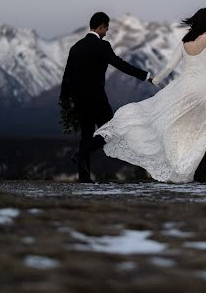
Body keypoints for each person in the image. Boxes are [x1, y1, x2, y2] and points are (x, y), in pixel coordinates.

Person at [94, 7, 206, 183]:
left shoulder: (185, 42)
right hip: (202, 91)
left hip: (184, 89)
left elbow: (169, 67)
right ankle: (184, 170)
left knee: (180, 129)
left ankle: (182, 170)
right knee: (205, 130)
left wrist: (156, 80)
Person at [59, 12, 152, 183]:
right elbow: (120, 64)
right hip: (97, 100)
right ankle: (81, 154)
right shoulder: (102, 46)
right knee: (111, 131)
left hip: (79, 101)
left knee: (86, 136)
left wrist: (64, 100)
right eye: (106, 27)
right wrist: (145, 76)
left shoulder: (76, 47)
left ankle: (84, 177)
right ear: (101, 26)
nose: (107, 31)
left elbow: (67, 76)